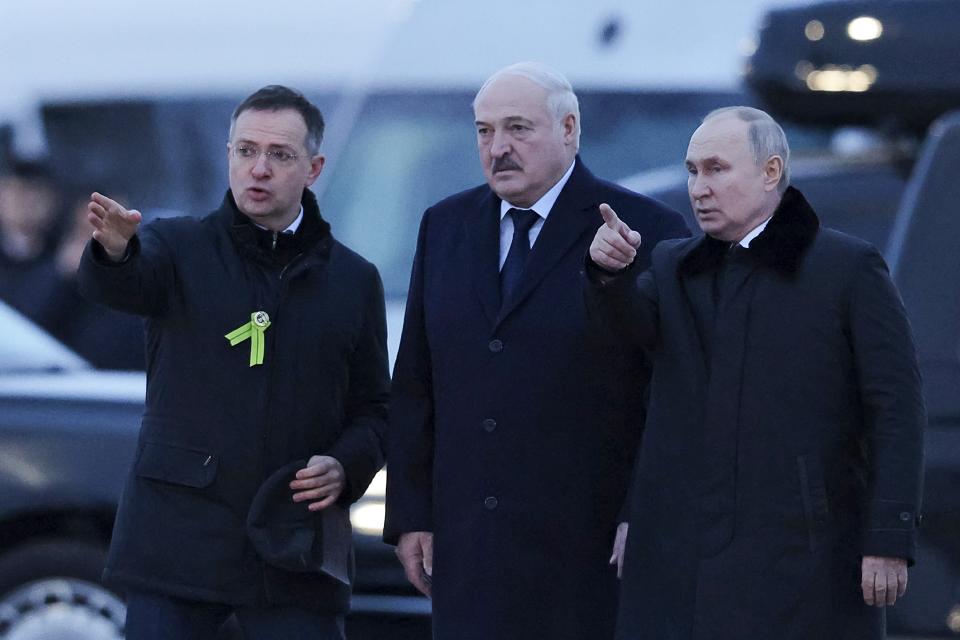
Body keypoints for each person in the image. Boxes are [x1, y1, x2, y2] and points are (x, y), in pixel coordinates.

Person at [585, 106, 925, 639]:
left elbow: (896, 411)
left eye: (717, 169)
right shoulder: (674, 265)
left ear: (770, 172)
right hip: (680, 557)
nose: (698, 187)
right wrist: (609, 275)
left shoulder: (847, 269)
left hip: (804, 561)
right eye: (693, 170)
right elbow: (626, 342)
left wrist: (887, 538)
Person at [383, 61, 689, 640]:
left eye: (518, 129)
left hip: (589, 551)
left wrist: (642, 512)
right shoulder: (444, 225)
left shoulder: (645, 227)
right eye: (484, 131)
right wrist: (411, 514)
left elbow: (670, 395)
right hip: (469, 550)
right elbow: (417, 379)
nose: (498, 147)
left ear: (569, 129)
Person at [77, 85, 389, 640]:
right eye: (245, 151)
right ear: (228, 157)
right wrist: (116, 251)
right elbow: (124, 284)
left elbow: (375, 409)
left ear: (313, 167)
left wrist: (346, 466)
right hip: (178, 538)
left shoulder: (353, 280)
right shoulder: (177, 247)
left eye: (279, 155)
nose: (258, 168)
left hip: (292, 542)